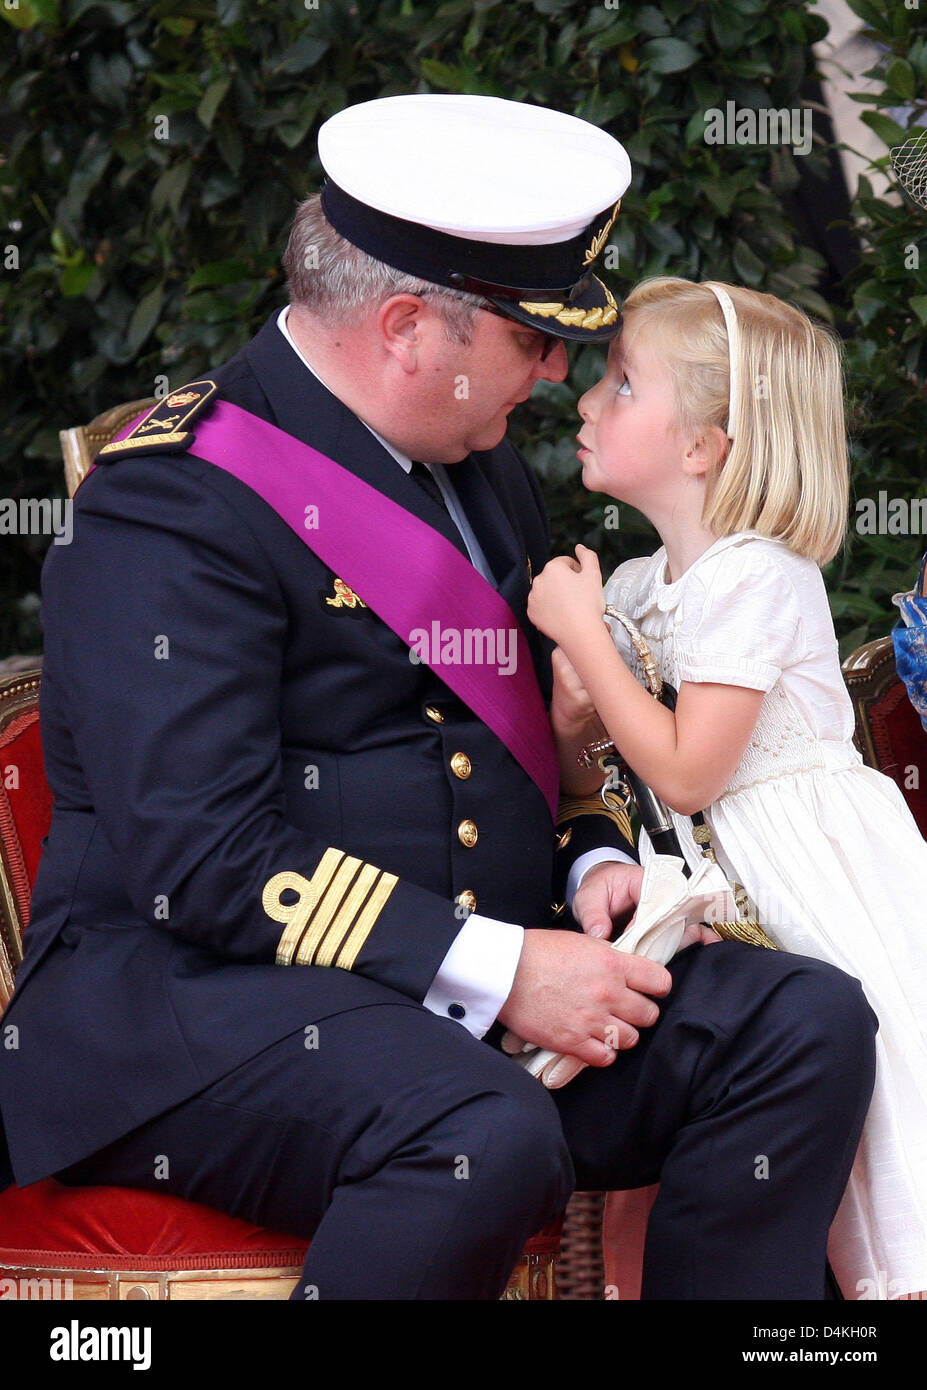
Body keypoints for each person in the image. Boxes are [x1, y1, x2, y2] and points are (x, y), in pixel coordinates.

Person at [0, 100, 877, 1301]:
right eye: (532, 334)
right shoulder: (171, 507)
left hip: (468, 980)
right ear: (410, 327)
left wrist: (587, 866)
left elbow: (514, 733)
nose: (564, 365)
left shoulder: (481, 456)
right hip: (199, 1014)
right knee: (481, 1134)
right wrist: (505, 967)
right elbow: (197, 856)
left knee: (803, 1023)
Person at [528, 274, 927, 1299]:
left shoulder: (760, 573)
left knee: (878, 1149)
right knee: (696, 1140)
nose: (585, 400)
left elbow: (689, 766)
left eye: (620, 384)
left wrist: (580, 640)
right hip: (709, 894)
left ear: (703, 446)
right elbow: (601, 774)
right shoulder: (631, 588)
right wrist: (578, 710)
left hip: (817, 883)